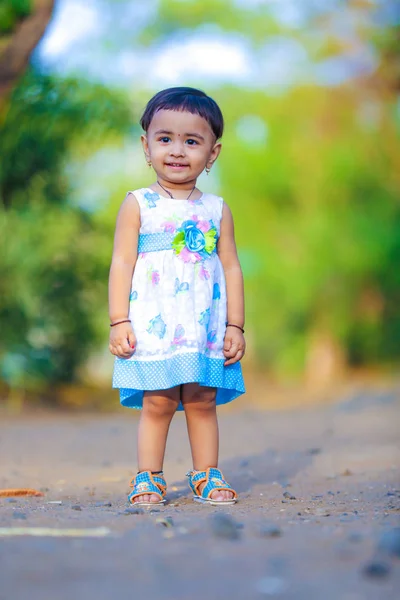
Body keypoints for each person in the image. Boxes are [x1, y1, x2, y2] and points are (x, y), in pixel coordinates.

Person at [108, 87, 245, 506]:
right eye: (164, 138)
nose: (177, 151)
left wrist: (235, 324)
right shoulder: (138, 204)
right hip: (154, 322)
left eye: (192, 141)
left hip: (204, 323)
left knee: (202, 398)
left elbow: (232, 267)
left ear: (213, 152)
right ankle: (148, 477)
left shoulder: (216, 208)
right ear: (146, 146)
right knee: (159, 399)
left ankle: (206, 473)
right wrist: (119, 320)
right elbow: (121, 263)